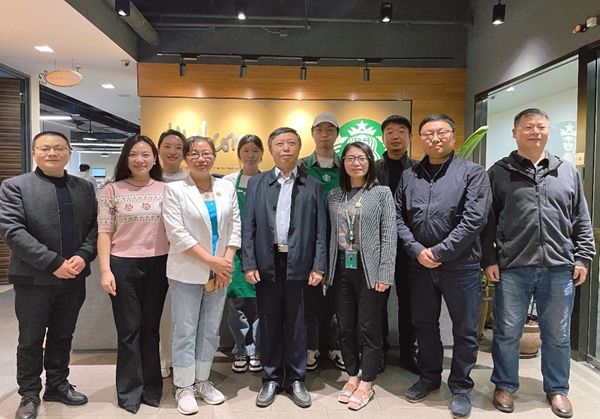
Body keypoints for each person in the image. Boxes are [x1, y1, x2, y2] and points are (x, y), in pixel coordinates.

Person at [481, 108, 595, 419]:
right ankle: (505, 385)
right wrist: (489, 258)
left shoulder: (566, 171)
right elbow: (488, 221)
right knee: (507, 331)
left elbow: (581, 218)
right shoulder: (498, 172)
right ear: (515, 133)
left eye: (541, 126)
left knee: (557, 333)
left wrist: (583, 256)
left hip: (558, 266)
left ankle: (557, 389)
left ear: (548, 131)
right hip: (513, 266)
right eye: (528, 127)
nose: (535, 132)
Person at [396, 114, 491, 419]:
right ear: (420, 138)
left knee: (465, 329)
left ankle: (461, 387)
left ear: (453, 135)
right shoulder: (410, 175)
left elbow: (475, 219)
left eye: (441, 132)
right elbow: (397, 217)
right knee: (424, 324)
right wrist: (416, 250)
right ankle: (429, 377)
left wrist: (440, 251)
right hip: (419, 266)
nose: (435, 138)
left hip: (461, 266)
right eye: (428, 134)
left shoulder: (473, 173)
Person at [0, 131, 97, 419]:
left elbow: (95, 227)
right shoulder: (15, 186)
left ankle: (57, 384)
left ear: (69, 153)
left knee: (63, 335)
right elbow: (12, 231)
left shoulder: (83, 187)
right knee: (30, 339)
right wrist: (53, 262)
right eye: (45, 148)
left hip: (74, 276)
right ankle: (29, 393)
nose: (52, 153)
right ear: (34, 153)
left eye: (58, 148)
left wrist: (83, 255)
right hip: (34, 278)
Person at [242, 127, 327, 408]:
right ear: (271, 149)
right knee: (268, 322)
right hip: (268, 262)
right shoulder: (257, 183)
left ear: (299, 148)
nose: (286, 148)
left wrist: (319, 266)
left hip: (300, 263)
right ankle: (271, 378)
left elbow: (321, 230)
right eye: (280, 143)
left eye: (291, 143)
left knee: (298, 323)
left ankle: (296, 379)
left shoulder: (312, 184)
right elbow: (249, 227)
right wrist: (249, 262)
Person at [162, 136, 241, 415]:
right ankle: (184, 386)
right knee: (185, 330)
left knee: (209, 329)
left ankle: (202, 381)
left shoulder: (225, 187)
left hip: (220, 271)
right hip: (187, 270)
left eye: (206, 153)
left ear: (214, 157)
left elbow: (235, 227)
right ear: (186, 158)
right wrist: (212, 262)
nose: (201, 158)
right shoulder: (175, 190)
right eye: (194, 153)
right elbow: (177, 234)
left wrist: (226, 262)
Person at [97, 135, 169, 414]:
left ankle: (151, 389)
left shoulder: (166, 189)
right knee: (128, 331)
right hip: (123, 265)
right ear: (126, 159)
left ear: (154, 158)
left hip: (159, 264)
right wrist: (105, 270)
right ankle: (128, 392)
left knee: (150, 330)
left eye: (146, 154)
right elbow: (104, 233)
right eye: (134, 154)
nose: (140, 160)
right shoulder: (112, 190)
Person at [327, 142, 396, 410]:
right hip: (341, 268)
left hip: (370, 270)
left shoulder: (381, 193)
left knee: (369, 327)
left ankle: (367, 382)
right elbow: (330, 234)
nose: (356, 163)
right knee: (345, 327)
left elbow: (389, 236)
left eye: (362, 158)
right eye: (350, 158)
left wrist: (385, 272)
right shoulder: (335, 195)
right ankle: (352, 376)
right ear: (343, 163)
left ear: (370, 162)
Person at [299, 112, 344, 371]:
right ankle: (311, 346)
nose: (324, 134)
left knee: (339, 297)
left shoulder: (347, 165)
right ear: (312, 133)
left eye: (330, 129)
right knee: (310, 296)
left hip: (342, 242)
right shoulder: (302, 166)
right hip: (310, 241)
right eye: (319, 129)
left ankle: (336, 346)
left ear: (337, 133)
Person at [374, 114, 419, 374]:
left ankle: (407, 353)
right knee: (377, 300)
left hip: (409, 246)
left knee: (409, 302)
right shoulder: (373, 169)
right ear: (383, 137)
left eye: (401, 131)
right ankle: (378, 351)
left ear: (410, 137)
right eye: (390, 131)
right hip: (378, 245)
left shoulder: (418, 169)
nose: (395, 136)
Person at [223, 134, 264, 374]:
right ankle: (241, 348)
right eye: (246, 150)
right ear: (239, 153)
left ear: (262, 154)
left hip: (260, 253)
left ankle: (257, 349)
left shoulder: (268, 180)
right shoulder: (228, 182)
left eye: (255, 150)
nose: (250, 155)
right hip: (235, 251)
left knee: (260, 304)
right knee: (235, 304)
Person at [157, 128, 187, 379]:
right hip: (154, 253)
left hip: (185, 254)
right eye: (167, 146)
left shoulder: (191, 180)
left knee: (181, 313)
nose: (172, 152)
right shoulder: (149, 177)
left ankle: (181, 360)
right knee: (160, 312)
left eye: (178, 147)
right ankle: (162, 358)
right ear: (159, 150)